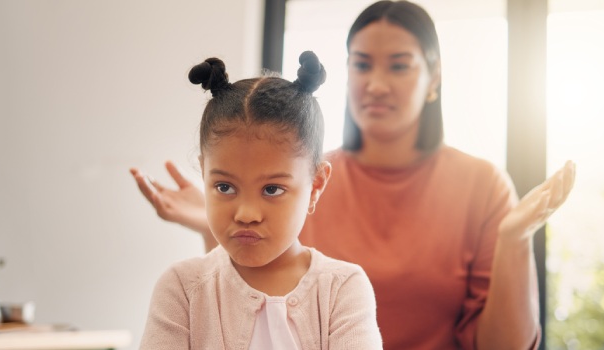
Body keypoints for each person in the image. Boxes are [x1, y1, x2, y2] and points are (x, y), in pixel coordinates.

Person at [131, 1, 575, 349]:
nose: (376, 83)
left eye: (398, 65)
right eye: (362, 64)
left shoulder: (481, 186)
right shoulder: (290, 174)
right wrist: (212, 220)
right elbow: (238, 296)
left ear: (434, 76)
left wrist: (515, 242)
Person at [139, 51, 383, 350]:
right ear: (203, 174)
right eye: (225, 187)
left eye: (272, 190)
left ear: (316, 184)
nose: (246, 214)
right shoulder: (182, 288)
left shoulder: (343, 288)